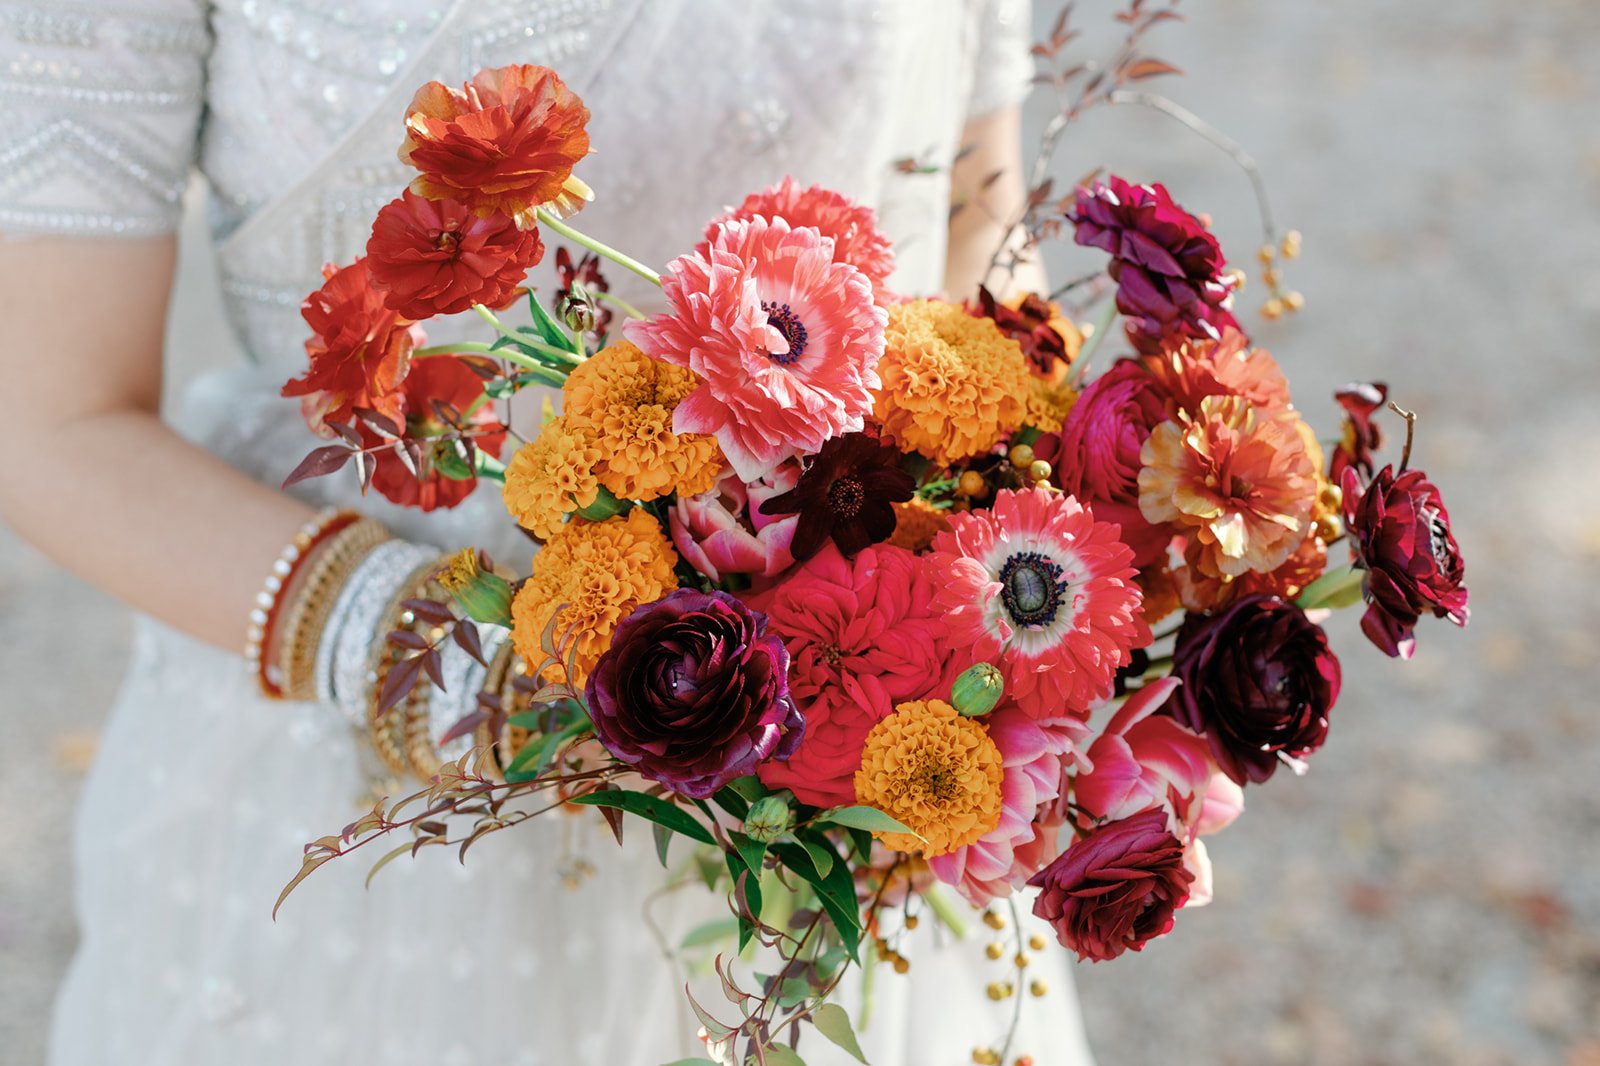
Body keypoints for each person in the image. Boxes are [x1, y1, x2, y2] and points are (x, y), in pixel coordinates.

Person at [0, 1, 1096, 1062]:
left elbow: (973, 223)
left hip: (850, 778)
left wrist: (1066, 560)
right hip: (380, 806)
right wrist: (459, 663)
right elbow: (46, 415)